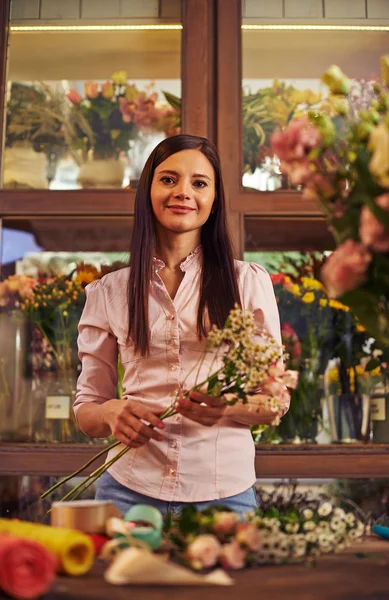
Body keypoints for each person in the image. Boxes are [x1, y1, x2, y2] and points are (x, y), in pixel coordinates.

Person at [74, 134, 288, 517]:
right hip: (127, 492)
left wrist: (225, 409)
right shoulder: (109, 292)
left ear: (214, 198)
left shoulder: (248, 283)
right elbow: (88, 408)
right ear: (149, 191)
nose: (183, 192)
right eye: (169, 179)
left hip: (225, 495)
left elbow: (275, 401)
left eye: (199, 183)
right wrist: (111, 414)